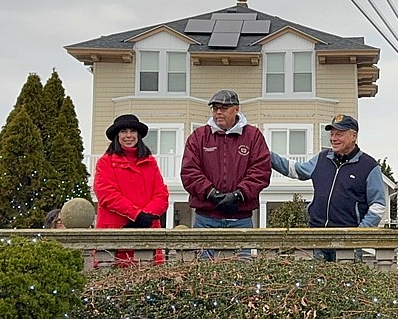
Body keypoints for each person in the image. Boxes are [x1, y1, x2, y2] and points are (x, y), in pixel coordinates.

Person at [270, 114, 386, 262]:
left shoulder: (369, 166)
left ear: (353, 136)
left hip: (348, 241)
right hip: (318, 236)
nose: (333, 138)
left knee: (346, 284)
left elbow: (378, 205)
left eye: (339, 134)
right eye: (331, 134)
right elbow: (296, 170)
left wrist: (360, 233)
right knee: (319, 283)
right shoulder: (321, 158)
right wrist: (267, 156)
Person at [180, 89, 272, 259]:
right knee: (204, 274)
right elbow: (189, 171)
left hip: (241, 218)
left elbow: (261, 170)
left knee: (242, 273)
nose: (218, 113)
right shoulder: (199, 136)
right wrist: (211, 193)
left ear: (236, 109)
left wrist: (239, 194)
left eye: (223, 108)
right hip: (205, 218)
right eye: (215, 108)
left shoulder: (253, 136)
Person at [93, 114, 169, 266]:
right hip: (116, 232)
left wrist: (146, 216)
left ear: (138, 135)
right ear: (117, 135)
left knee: (150, 280)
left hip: (147, 231)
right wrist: (136, 215)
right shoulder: (105, 162)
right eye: (123, 131)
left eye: (132, 131)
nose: (128, 136)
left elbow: (161, 194)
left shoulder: (150, 162)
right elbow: (107, 195)